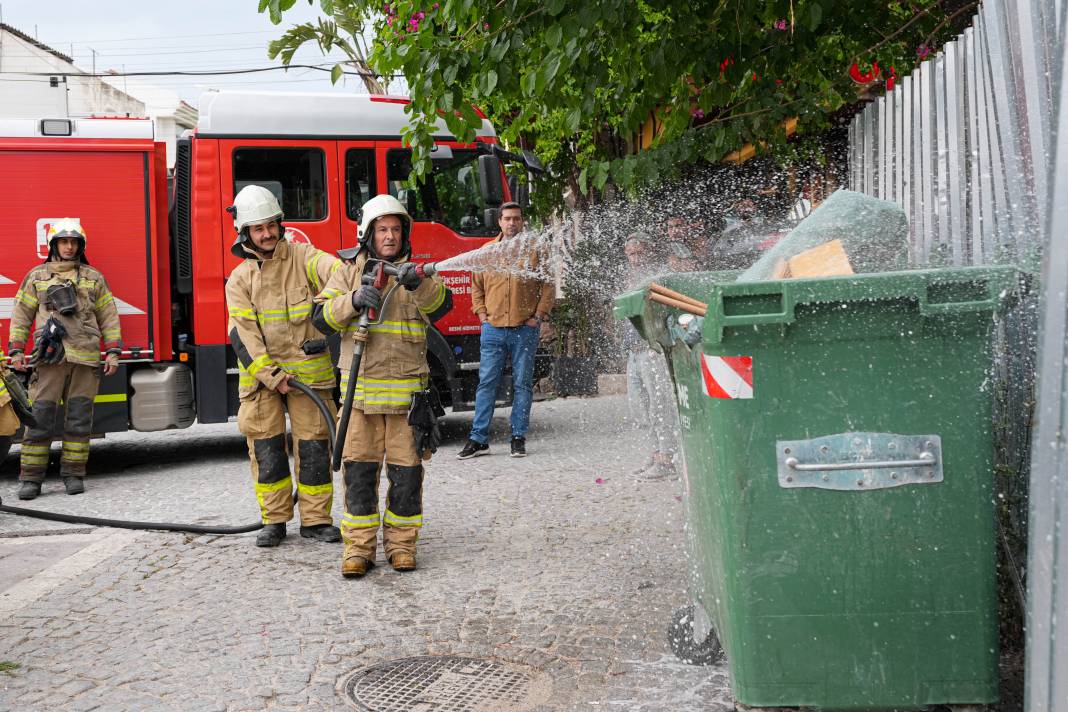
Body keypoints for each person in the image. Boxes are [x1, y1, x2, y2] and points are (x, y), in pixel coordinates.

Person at [313, 194, 453, 578]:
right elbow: (320, 317)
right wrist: (353, 300)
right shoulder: (347, 273)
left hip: (408, 401)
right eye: (382, 230)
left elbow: (442, 306)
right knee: (359, 477)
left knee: (407, 479)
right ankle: (358, 550)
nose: (389, 236)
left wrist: (418, 285)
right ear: (368, 234)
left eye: (395, 229)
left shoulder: (417, 274)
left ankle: (401, 546)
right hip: (360, 401)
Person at [225, 185, 343, 548]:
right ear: (245, 233)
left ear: (280, 223)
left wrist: (330, 296)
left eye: (271, 225)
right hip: (263, 381)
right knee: (267, 450)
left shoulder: (304, 256)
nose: (267, 234)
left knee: (313, 448)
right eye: (258, 228)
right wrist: (273, 377)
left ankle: (316, 520)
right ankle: (274, 520)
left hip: (309, 375)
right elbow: (243, 336)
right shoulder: (240, 279)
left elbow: (338, 271)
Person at [7, 219, 122, 499]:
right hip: (49, 360)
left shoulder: (93, 278)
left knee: (80, 420)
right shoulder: (37, 277)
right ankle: (32, 479)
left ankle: (73, 474)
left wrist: (114, 351)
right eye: (63, 241)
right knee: (40, 419)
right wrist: (16, 350)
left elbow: (109, 315)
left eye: (74, 242)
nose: (69, 247)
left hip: (85, 360)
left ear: (80, 245)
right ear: (54, 245)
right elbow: (21, 314)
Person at [457, 201, 554, 459]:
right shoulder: (487, 252)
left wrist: (539, 316)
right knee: (486, 383)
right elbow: (476, 287)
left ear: (522, 222)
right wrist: (482, 315)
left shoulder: (536, 251)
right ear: (499, 222)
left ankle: (518, 437)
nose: (512, 223)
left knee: (522, 384)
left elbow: (548, 285)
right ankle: (478, 439)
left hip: (525, 328)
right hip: (493, 330)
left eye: (517, 218)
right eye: (507, 218)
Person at [622, 233, 678, 478]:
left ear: (649, 252)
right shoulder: (628, 278)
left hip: (651, 350)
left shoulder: (658, 278)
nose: (636, 258)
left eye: (640, 253)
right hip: (633, 353)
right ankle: (655, 454)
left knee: (659, 407)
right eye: (632, 254)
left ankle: (667, 458)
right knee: (642, 409)